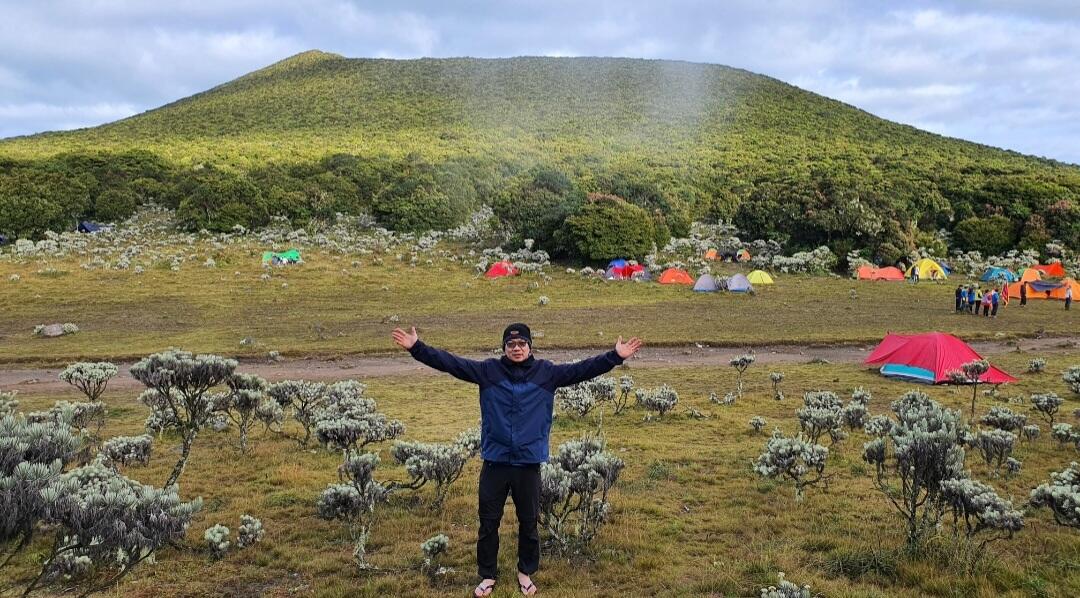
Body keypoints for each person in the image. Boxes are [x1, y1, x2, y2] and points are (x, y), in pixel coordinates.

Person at [392, 323, 642, 598]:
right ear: (504, 348)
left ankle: (525, 571)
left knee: (529, 522)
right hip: (495, 461)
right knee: (488, 522)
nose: (517, 348)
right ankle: (487, 576)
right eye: (511, 345)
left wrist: (615, 356)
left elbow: (582, 369)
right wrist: (417, 348)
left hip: (528, 463)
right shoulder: (488, 371)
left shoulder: (546, 373)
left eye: (522, 344)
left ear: (530, 346)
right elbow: (451, 363)